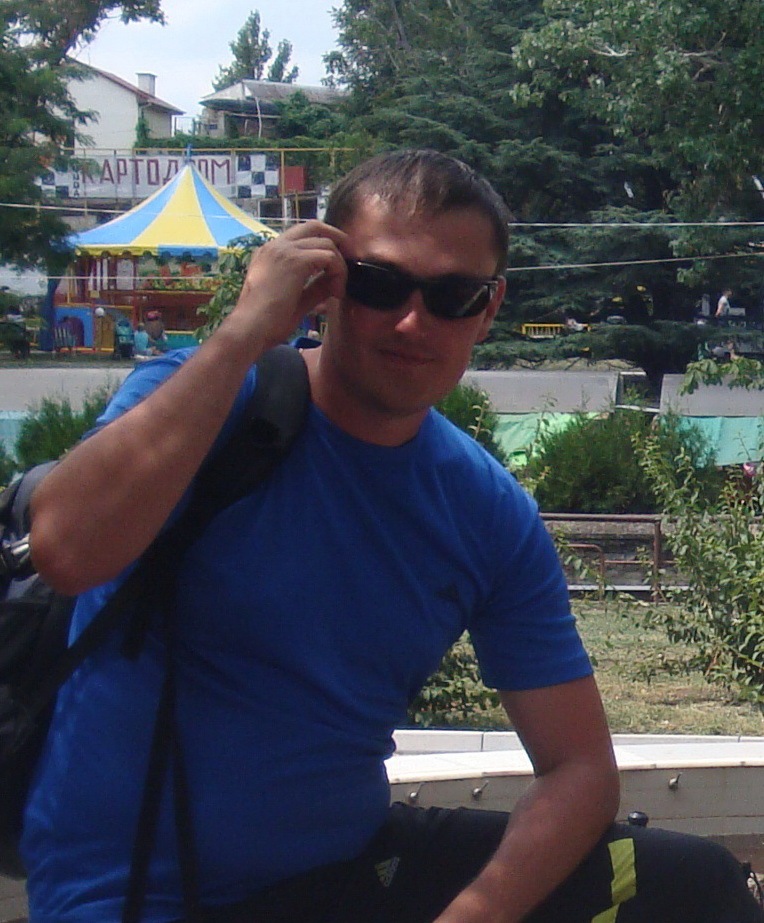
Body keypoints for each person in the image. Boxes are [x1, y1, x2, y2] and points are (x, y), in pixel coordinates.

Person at [24, 150, 761, 923]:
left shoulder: (483, 509)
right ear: (325, 284)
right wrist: (243, 332)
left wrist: (473, 915)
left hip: (346, 874)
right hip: (136, 893)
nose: (414, 320)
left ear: (488, 308)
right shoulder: (205, 401)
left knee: (696, 889)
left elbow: (579, 769)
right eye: (380, 283)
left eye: (452, 295)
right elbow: (65, 549)